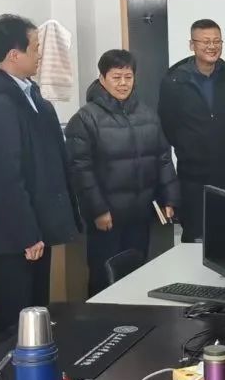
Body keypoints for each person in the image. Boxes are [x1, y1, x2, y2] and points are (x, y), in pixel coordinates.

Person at [0, 13, 81, 335]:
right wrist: (26, 233)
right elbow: (3, 177)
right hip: (15, 237)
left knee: (36, 316)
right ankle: (8, 367)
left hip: (35, 230)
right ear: (14, 55)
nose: (40, 54)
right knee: (14, 322)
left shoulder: (29, 94)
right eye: (35, 47)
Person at [66, 49, 179, 295]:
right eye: (116, 77)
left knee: (137, 275)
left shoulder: (147, 114)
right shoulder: (85, 119)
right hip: (107, 218)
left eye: (128, 77)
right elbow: (80, 170)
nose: (123, 83)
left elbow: (162, 158)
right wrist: (98, 210)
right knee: (104, 278)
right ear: (102, 78)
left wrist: (169, 199)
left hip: (140, 214)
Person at [158, 18, 225, 241]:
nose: (212, 46)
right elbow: (168, 123)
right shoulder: (174, 80)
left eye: (217, 41)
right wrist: (190, 146)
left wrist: (218, 136)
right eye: (206, 41)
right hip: (192, 175)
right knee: (195, 237)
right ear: (192, 45)